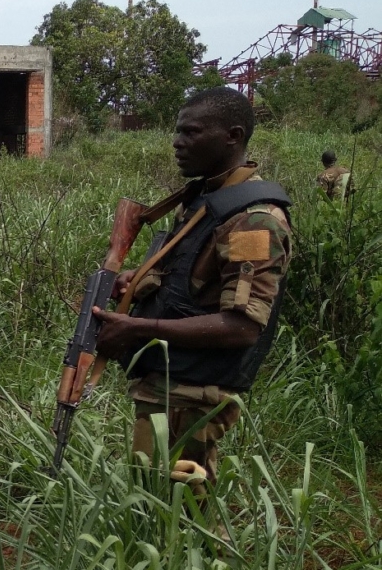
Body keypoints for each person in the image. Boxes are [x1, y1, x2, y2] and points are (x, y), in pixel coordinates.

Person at [93, 87, 292, 486]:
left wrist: (139, 328)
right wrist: (142, 280)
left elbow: (243, 326)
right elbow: (198, 281)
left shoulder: (254, 220)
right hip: (170, 382)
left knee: (179, 511)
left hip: (194, 390)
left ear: (233, 136)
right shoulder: (207, 199)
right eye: (178, 132)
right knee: (153, 499)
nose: (177, 142)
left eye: (192, 132)